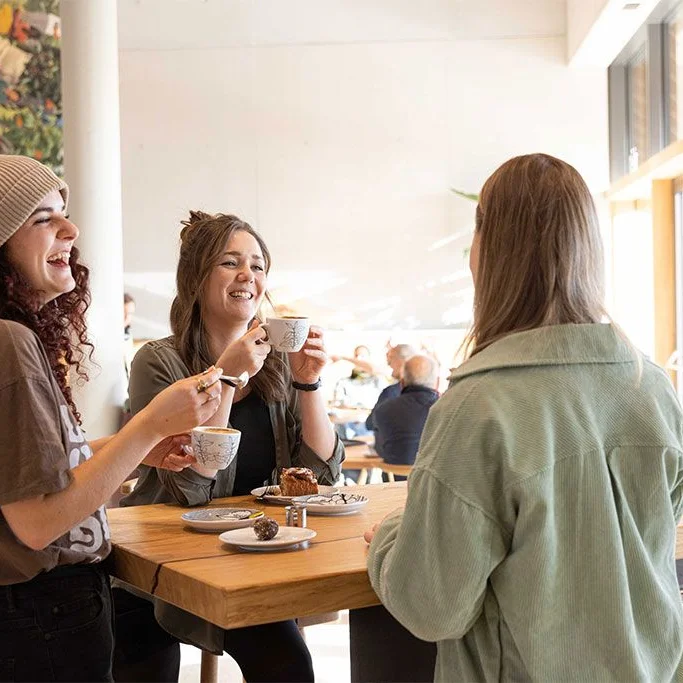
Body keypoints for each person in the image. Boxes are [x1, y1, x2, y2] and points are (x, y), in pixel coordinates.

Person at [365, 153, 683, 681]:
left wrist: (390, 536)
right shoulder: (651, 386)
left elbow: (432, 606)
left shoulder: (477, 407)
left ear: (489, 251)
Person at [0, 154, 223, 682]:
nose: (71, 230)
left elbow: (36, 477)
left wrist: (138, 448)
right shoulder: (10, 340)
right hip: (43, 615)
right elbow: (37, 522)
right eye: (43, 219)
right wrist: (148, 425)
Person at [116, 210, 344, 682]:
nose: (248, 275)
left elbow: (321, 478)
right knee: (143, 666)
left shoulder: (277, 365)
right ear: (196, 278)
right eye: (230, 262)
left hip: (247, 556)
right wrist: (227, 376)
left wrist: (309, 383)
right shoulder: (158, 361)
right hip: (160, 560)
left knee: (288, 666)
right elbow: (191, 489)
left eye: (258, 266)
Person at [371, 354, 439, 479]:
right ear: (437, 383)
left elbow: (378, 445)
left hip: (392, 483)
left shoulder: (383, 409)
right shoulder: (444, 409)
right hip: (431, 483)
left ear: (402, 383)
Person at [365, 343, 417, 431]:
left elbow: (371, 424)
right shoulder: (430, 393)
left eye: (391, 358)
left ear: (402, 361)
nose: (388, 363)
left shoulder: (392, 392)